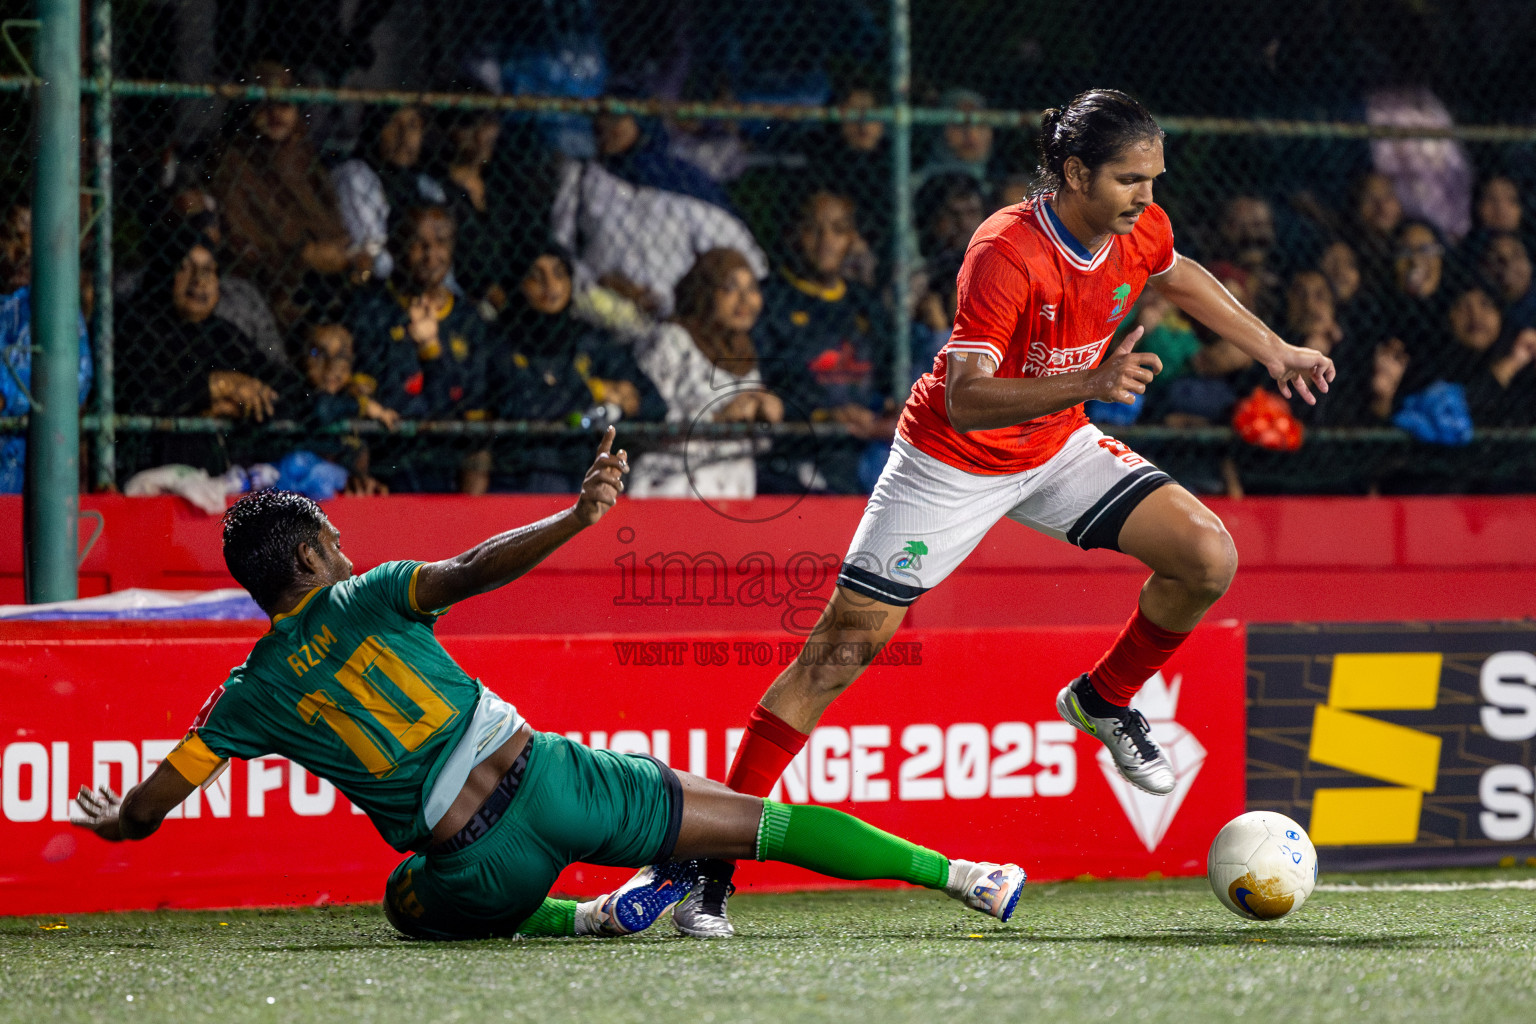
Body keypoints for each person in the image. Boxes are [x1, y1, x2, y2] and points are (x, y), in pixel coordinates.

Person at [669, 88, 1334, 938]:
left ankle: (1104, 698)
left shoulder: (1140, 227)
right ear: (1072, 171)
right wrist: (1093, 384)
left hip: (1055, 445)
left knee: (1207, 556)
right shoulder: (1004, 250)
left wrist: (1272, 347)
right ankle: (708, 871)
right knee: (834, 658)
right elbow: (970, 396)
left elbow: (1179, 274)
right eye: (1130, 179)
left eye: (1155, 179)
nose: (1146, 197)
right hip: (951, 460)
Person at [68, 439, 1028, 941]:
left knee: (405, 901)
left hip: (479, 868)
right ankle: (966, 877)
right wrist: (576, 516)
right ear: (318, 552)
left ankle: (596, 916)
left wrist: (118, 821)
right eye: (335, 538)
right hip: (554, 780)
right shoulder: (365, 592)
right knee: (757, 823)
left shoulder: (246, 693)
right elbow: (475, 567)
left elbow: (154, 808)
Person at [630, 248, 783, 499]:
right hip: (672, 489)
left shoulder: (745, 350)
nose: (745, 300)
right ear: (705, 292)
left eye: (752, 289)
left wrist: (764, 414)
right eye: (730, 288)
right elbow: (646, 420)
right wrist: (717, 419)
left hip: (734, 493)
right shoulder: (672, 340)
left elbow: (752, 445)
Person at [331, 106, 449, 281]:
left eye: (412, 126)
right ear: (375, 129)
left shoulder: (428, 188)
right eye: (393, 124)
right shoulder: (355, 175)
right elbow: (375, 257)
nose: (404, 136)